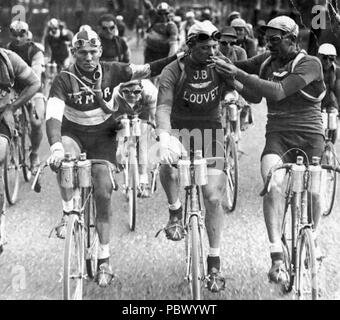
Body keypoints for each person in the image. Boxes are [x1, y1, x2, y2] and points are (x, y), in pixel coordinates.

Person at [45, 29, 184, 288]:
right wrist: (54, 147)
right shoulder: (64, 78)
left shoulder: (114, 70)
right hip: (72, 134)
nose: (87, 57)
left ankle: (104, 258)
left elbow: (147, 69)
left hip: (103, 137)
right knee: (64, 161)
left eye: (92, 52)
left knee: (103, 191)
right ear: (74, 53)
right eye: (82, 52)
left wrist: (178, 57)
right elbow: (53, 115)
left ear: (99, 52)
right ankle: (67, 214)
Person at [210, 16, 326, 286]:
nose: (268, 44)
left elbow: (276, 92)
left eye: (274, 40)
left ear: (293, 39)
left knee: (315, 191)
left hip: (311, 136)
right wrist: (213, 63)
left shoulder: (310, 63)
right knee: (272, 184)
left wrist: (236, 73)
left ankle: (315, 237)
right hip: (278, 137)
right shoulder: (265, 61)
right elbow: (253, 95)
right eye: (266, 39)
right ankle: (276, 254)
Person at [155, 20, 234, 293]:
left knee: (212, 197)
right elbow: (163, 106)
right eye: (204, 48)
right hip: (178, 129)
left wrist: (234, 87)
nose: (211, 52)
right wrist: (164, 137)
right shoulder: (173, 70)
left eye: (214, 46)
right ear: (190, 46)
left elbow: (244, 88)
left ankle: (213, 262)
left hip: (211, 132)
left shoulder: (219, 65)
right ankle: (176, 211)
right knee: (165, 160)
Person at [0, 47, 40, 251]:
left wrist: (12, 108)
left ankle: (0, 225)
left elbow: (35, 82)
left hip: (2, 116)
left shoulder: (9, 59)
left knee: (36, 120)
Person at [7, 20, 45, 173]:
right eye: (14, 34)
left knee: (36, 123)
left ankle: (34, 154)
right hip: (14, 89)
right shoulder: (7, 50)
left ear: (26, 34)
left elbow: (35, 75)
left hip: (33, 89)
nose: (17, 38)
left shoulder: (35, 51)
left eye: (21, 34)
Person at [112, 79, 158, 197]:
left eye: (136, 91)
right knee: (120, 136)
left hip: (143, 109)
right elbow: (110, 118)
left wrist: (155, 130)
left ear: (142, 89)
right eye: (127, 91)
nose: (132, 95)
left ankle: (143, 180)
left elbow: (154, 117)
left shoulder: (150, 91)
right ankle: (123, 167)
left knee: (143, 137)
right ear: (121, 90)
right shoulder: (115, 93)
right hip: (122, 110)